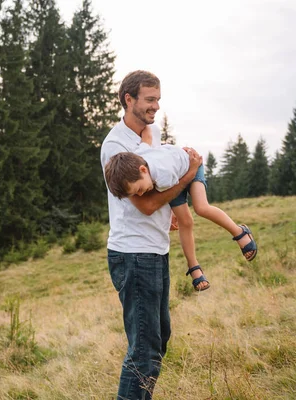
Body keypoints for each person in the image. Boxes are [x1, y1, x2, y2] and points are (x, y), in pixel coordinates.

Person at [100, 70, 202, 399]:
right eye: (149, 100)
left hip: (156, 250)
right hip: (133, 254)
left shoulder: (151, 133)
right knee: (143, 350)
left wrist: (171, 210)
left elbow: (158, 180)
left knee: (159, 341)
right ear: (128, 99)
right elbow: (144, 205)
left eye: (158, 100)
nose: (155, 106)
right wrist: (188, 176)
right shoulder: (115, 147)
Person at [104, 127, 258, 292]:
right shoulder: (140, 158)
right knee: (186, 221)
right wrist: (144, 127)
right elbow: (146, 138)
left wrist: (190, 173)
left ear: (143, 170)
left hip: (191, 166)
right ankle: (194, 267)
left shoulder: (163, 175)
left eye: (140, 189)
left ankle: (240, 232)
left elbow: (175, 187)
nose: (141, 194)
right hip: (176, 177)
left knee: (201, 208)